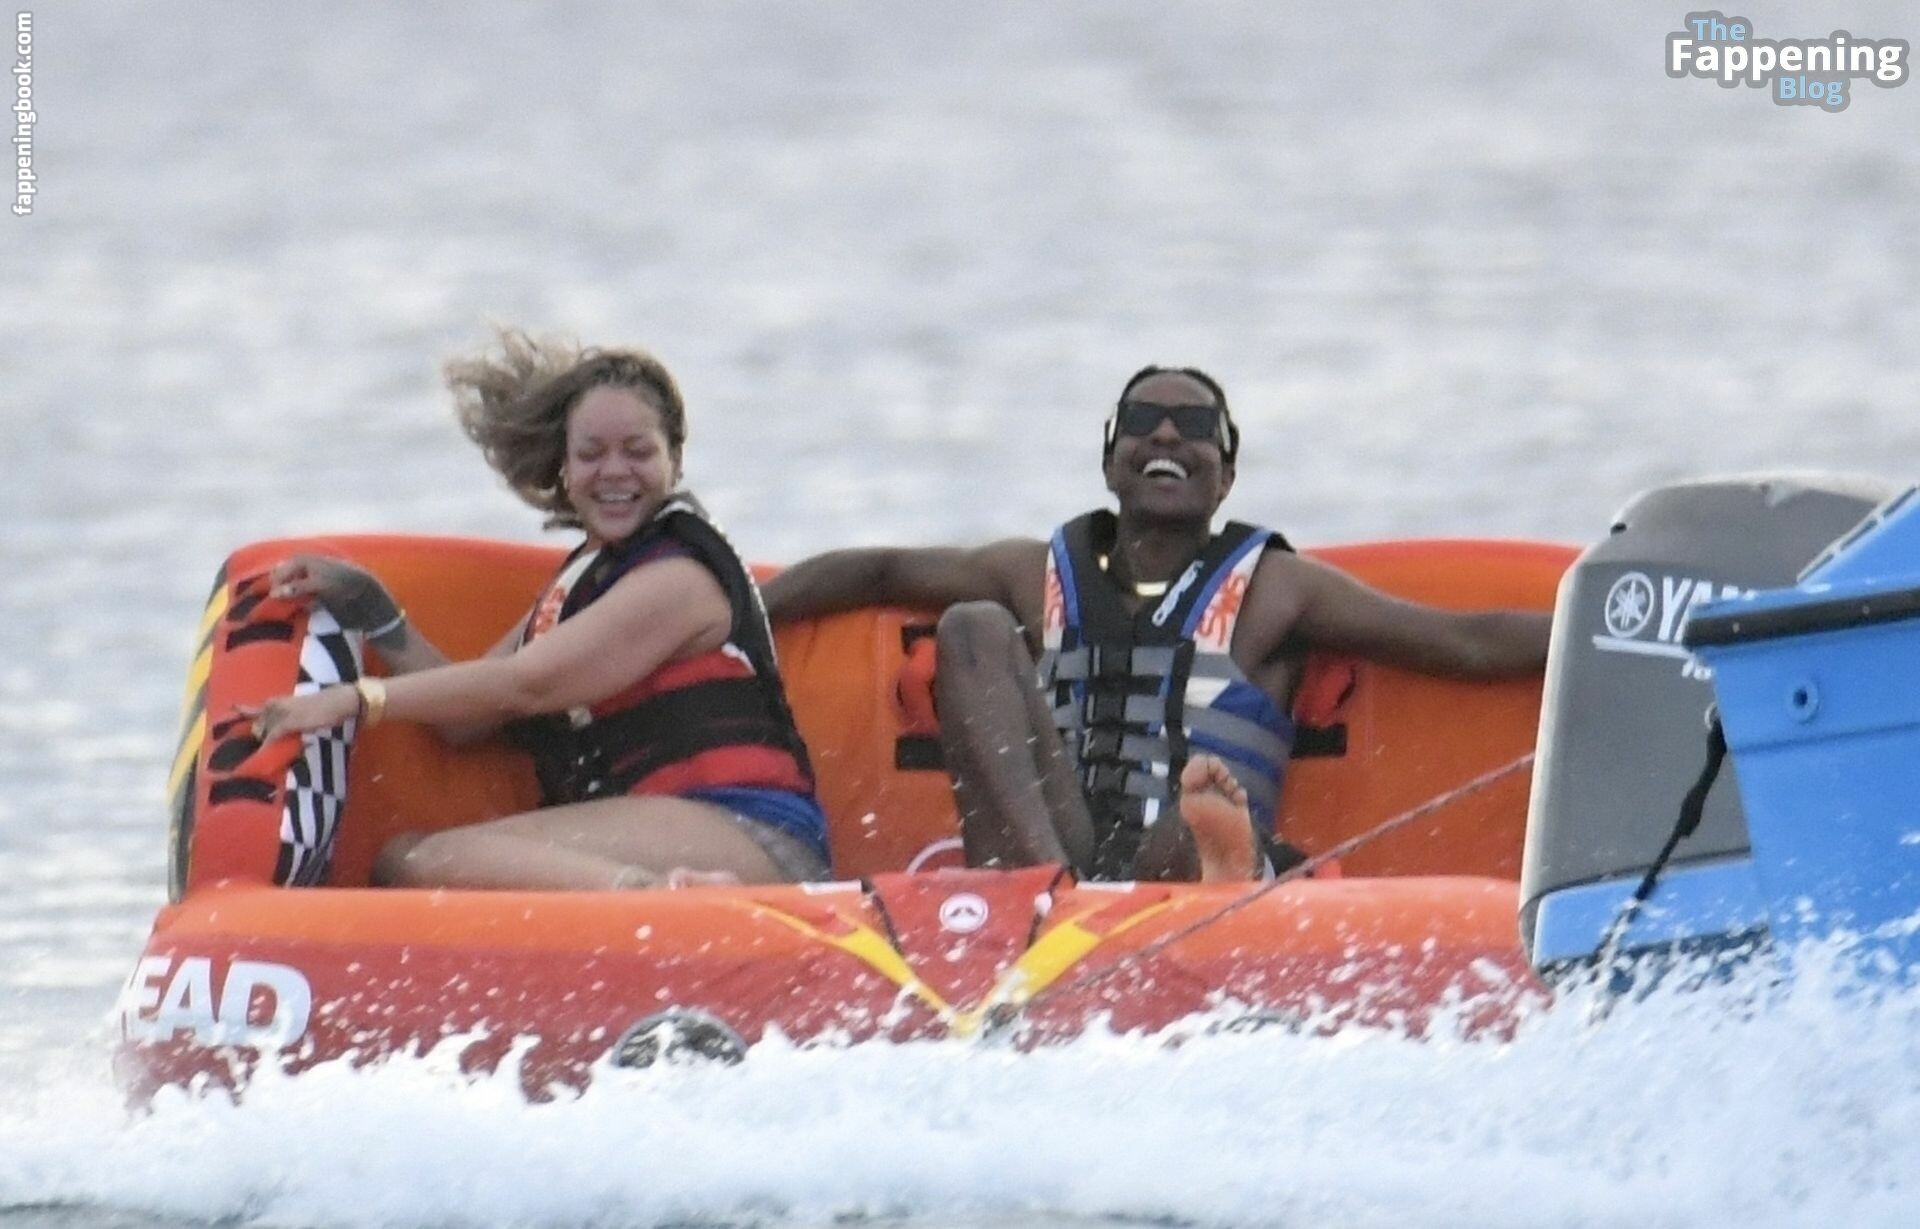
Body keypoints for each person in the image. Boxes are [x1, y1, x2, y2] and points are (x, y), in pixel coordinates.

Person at [762, 365, 1550, 884]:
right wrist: (742, 615)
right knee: (969, 625)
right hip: (1055, 849)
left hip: (1181, 861)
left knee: (1189, 816)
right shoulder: (1031, 573)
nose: (1167, 435)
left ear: (1225, 476)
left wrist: (1594, 632)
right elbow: (876, 570)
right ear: (1112, 464)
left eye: (1195, 425)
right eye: (1143, 420)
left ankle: (1215, 856)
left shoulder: (1277, 588)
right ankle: (1044, 897)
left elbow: (1465, 640)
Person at [245, 330, 831, 890]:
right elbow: (466, 719)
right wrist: (371, 608)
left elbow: (529, 684)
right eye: (591, 454)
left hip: (756, 835)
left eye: (638, 451)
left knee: (425, 860)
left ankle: (664, 903)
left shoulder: (679, 580)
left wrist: (352, 700)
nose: (614, 471)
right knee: (402, 858)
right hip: (674, 829)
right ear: (564, 471)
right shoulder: (576, 587)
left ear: (675, 462)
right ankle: (653, 900)